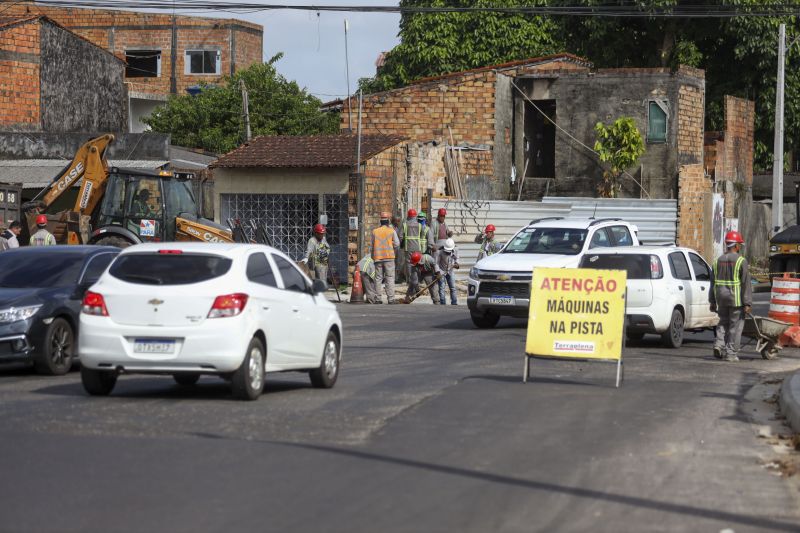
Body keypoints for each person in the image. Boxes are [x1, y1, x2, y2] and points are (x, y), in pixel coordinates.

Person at [710, 230, 752, 362]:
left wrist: (712, 301)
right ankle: (731, 353)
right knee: (735, 327)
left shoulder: (717, 261)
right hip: (736, 300)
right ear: (736, 245)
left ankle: (718, 345)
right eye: (739, 244)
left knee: (722, 322)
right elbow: (746, 283)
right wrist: (747, 303)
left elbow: (712, 283)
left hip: (721, 298)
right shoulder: (741, 261)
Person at [398, 208, 433, 299]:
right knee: (417, 265)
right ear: (415, 216)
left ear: (408, 216)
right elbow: (421, 235)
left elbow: (400, 236)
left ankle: (412, 283)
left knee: (409, 266)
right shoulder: (419, 225)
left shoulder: (405, 225)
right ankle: (416, 282)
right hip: (417, 248)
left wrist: (402, 244)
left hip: (408, 248)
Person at [372, 211, 400, 304]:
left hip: (378, 257)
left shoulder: (375, 231)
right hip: (389, 257)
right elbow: (397, 244)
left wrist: (373, 257)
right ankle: (391, 299)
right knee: (390, 278)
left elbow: (372, 245)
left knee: (378, 278)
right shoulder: (392, 231)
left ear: (380, 221)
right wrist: (391, 245)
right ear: (388, 221)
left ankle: (378, 299)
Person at [436, 238, 460, 305]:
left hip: (450, 271)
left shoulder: (456, 249)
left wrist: (457, 264)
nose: (448, 252)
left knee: (453, 287)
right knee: (442, 288)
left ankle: (454, 303)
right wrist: (438, 272)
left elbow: (457, 258)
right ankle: (443, 303)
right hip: (442, 271)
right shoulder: (440, 251)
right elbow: (436, 263)